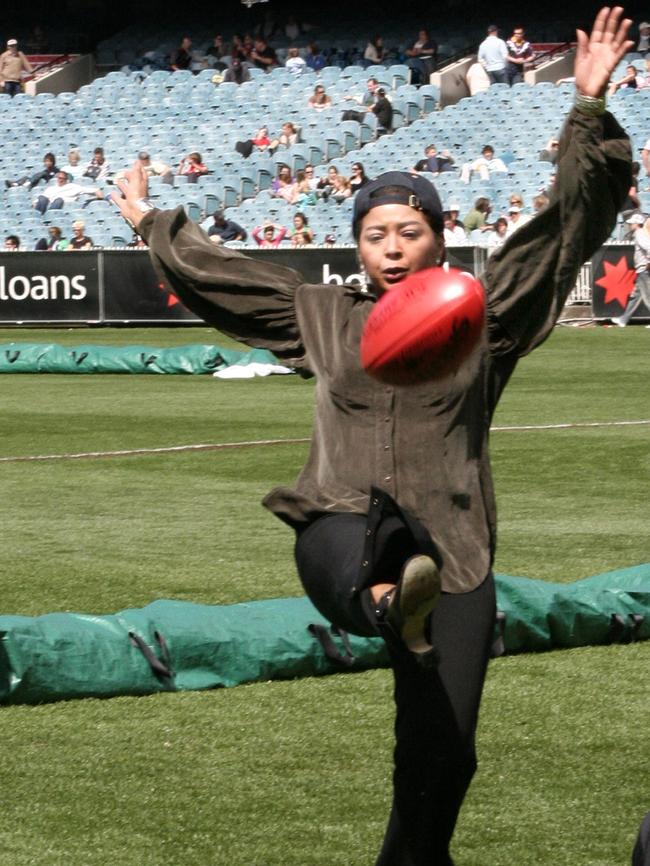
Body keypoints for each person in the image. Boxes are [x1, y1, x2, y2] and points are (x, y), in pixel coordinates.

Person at [111, 10, 632, 863]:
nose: (393, 248)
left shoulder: (485, 319)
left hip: (457, 553)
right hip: (342, 531)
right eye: (375, 234)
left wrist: (584, 108)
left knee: (443, 760)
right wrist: (150, 223)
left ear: (437, 238)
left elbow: (564, 230)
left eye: (411, 231)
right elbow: (227, 282)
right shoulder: (323, 316)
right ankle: (392, 599)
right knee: (367, 545)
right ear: (357, 248)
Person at [612, 215, 650, 326]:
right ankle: (623, 319)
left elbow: (649, 248)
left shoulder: (639, 234)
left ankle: (623, 319)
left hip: (644, 269)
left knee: (647, 296)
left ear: (637, 224)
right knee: (635, 296)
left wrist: (648, 263)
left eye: (632, 223)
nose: (629, 225)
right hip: (642, 270)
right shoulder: (640, 234)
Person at [33, 171, 104, 214]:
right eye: (59, 178)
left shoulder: (73, 187)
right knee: (42, 198)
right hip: (48, 207)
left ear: (66, 180)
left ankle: (51, 216)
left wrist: (97, 192)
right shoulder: (51, 188)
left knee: (59, 200)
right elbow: (39, 200)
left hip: (63, 207)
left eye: (62, 179)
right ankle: (39, 217)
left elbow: (89, 190)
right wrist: (35, 202)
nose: (60, 180)